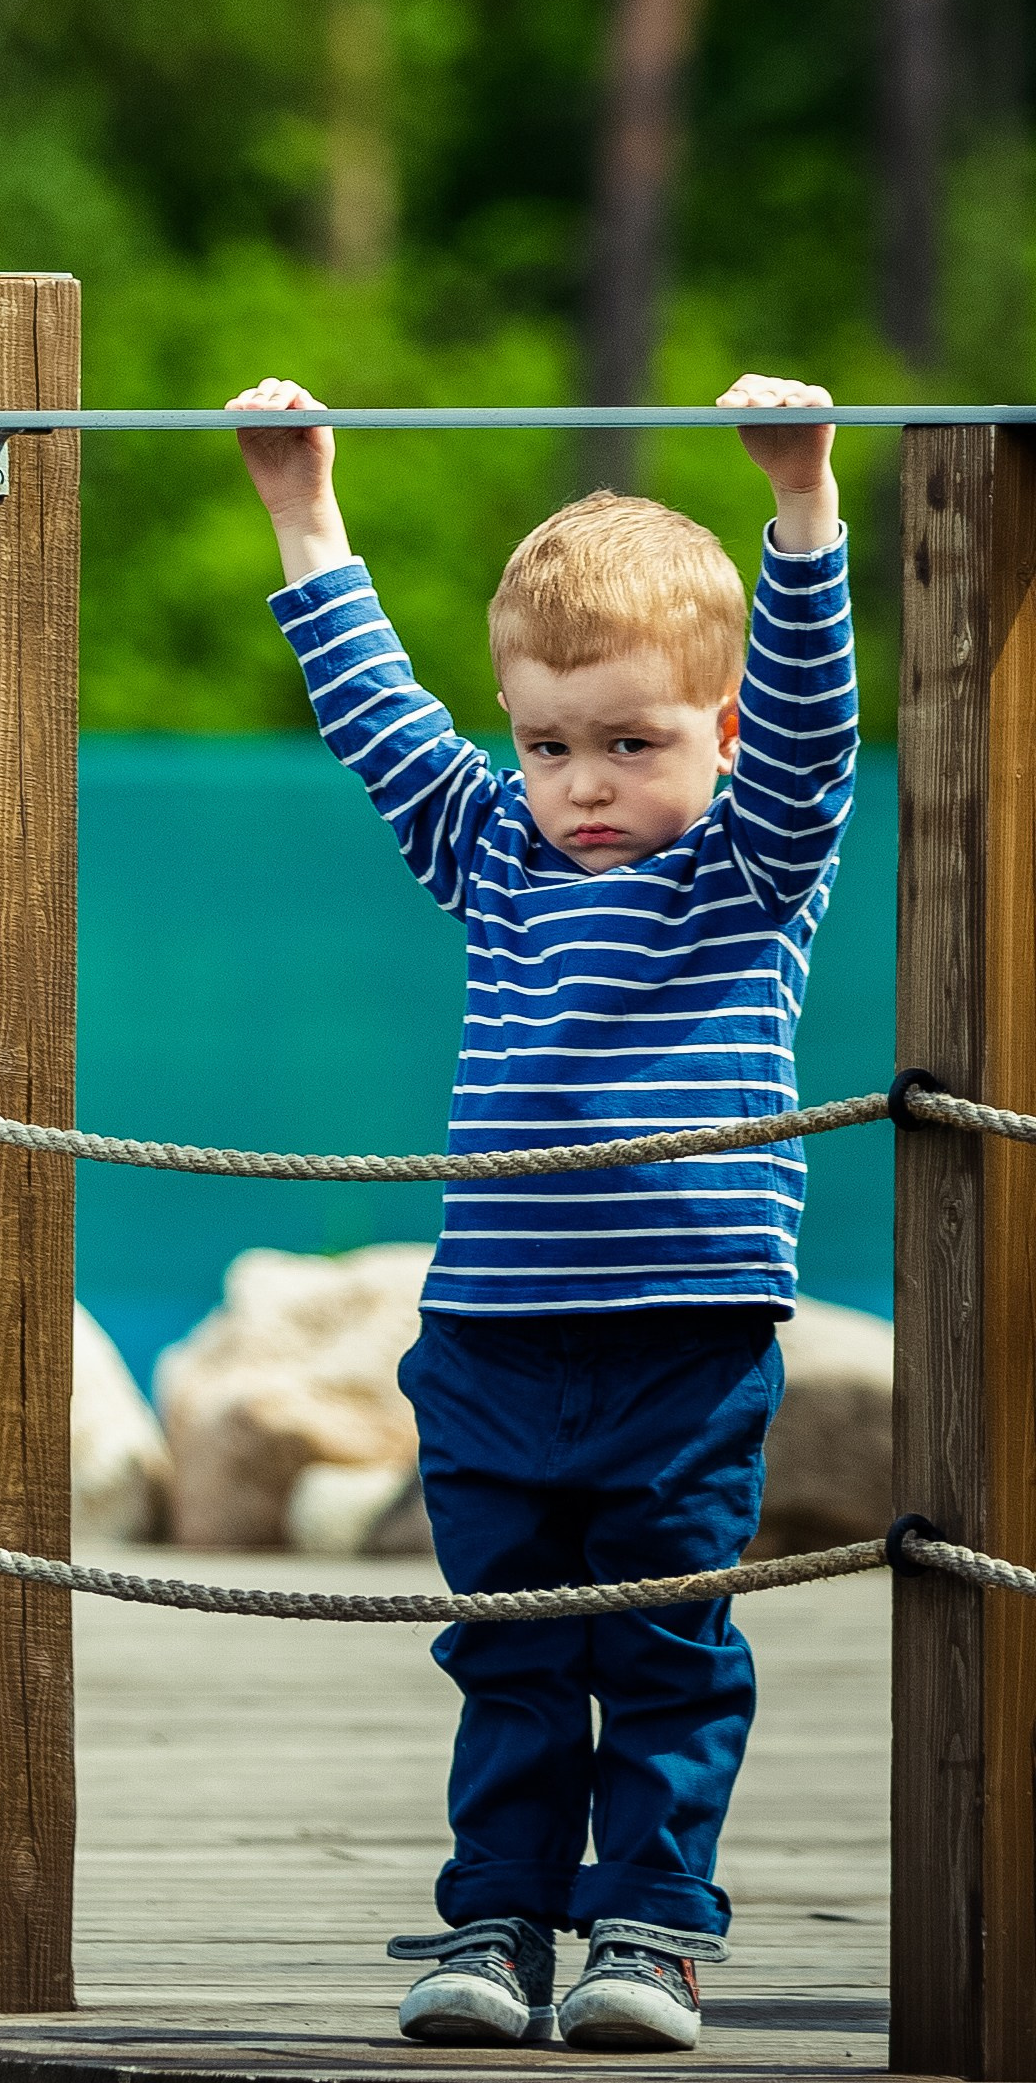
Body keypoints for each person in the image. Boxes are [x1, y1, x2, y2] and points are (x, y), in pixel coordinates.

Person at [227, 371, 858, 2057]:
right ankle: (497, 1924)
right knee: (506, 1653)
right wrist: (302, 506)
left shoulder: (751, 862)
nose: (585, 783)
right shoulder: (496, 845)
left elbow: (812, 724)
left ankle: (648, 1933)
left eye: (634, 744)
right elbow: (375, 712)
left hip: (683, 1338)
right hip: (493, 1337)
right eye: (553, 741)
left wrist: (799, 498)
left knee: (664, 1647)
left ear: (715, 739)